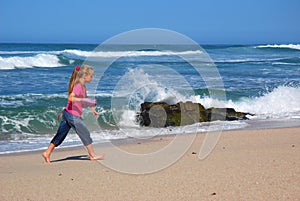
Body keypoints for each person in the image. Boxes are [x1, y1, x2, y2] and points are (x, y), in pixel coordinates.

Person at [42, 65, 104, 164]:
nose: (92, 78)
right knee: (85, 133)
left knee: (61, 135)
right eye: (91, 76)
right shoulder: (78, 86)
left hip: (67, 113)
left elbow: (86, 98)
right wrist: (82, 100)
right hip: (72, 115)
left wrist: (92, 109)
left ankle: (47, 152)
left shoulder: (83, 86)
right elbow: (71, 98)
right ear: (84, 75)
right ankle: (92, 155)